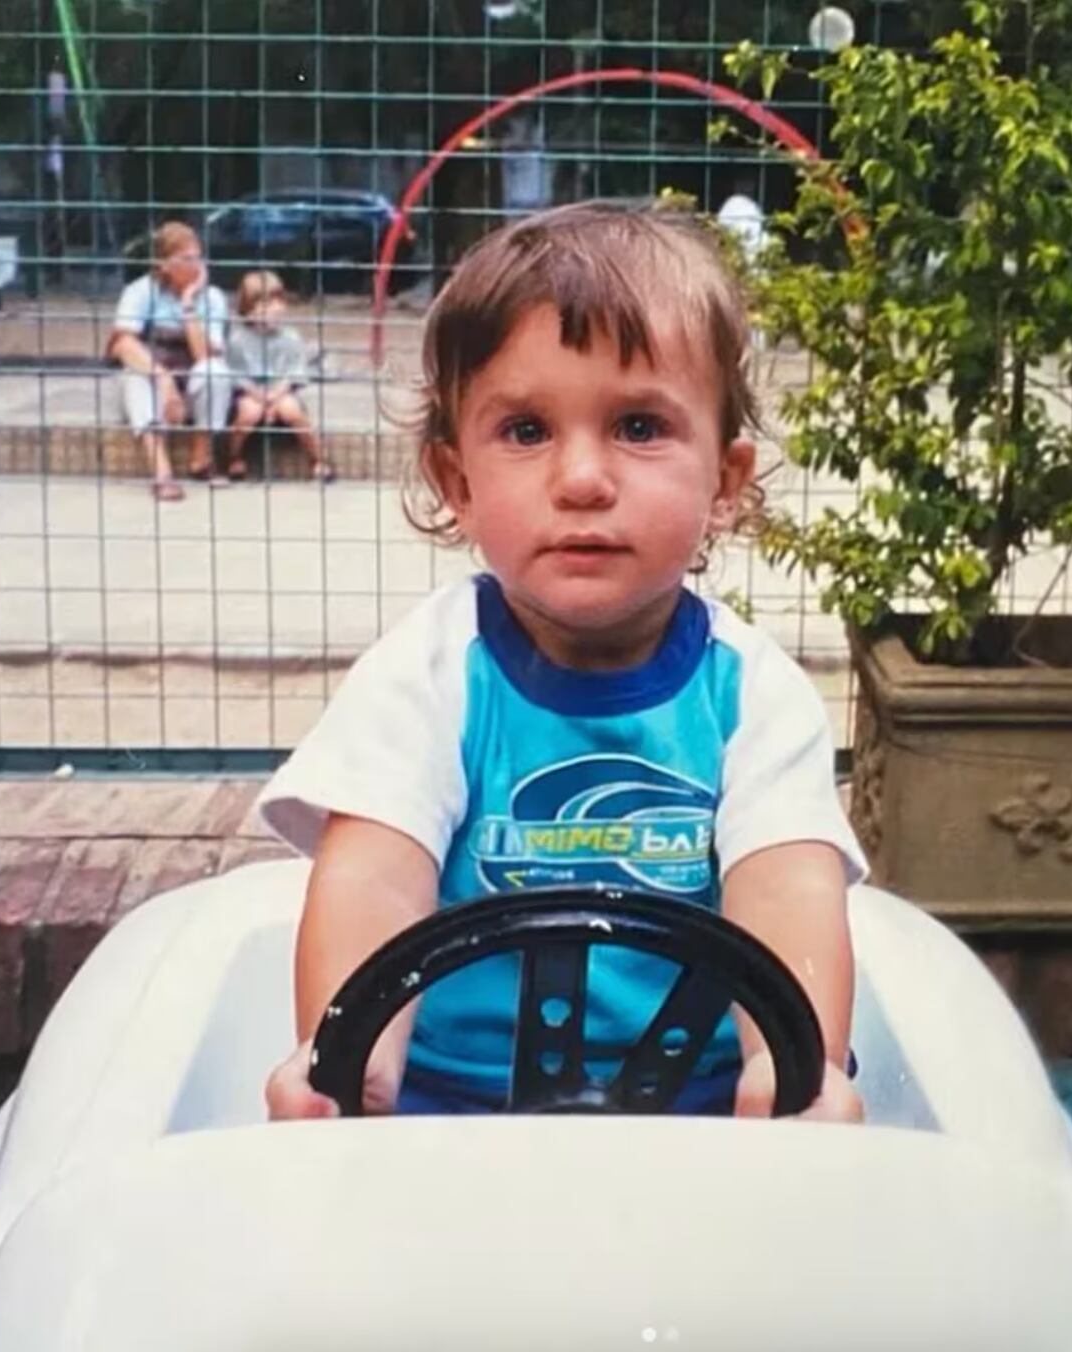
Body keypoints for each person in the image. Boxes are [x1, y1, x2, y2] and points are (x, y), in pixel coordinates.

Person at [261, 201, 866, 1123]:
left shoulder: (753, 694)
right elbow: (376, 876)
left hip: (702, 1117)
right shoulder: (426, 677)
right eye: (528, 432)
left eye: (637, 427)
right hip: (444, 1110)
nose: (583, 480)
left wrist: (797, 1072)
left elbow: (784, 885)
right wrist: (351, 1063)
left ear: (726, 482)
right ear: (456, 483)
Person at [104, 221, 234, 501]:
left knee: (216, 372)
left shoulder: (212, 298)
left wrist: (189, 304)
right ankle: (161, 473)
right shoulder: (140, 291)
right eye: (186, 258)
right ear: (163, 263)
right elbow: (122, 344)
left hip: (191, 387)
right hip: (154, 384)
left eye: (199, 257)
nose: (196, 264)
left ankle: (202, 458)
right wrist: (161, 378)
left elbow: (204, 356)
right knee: (135, 377)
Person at [223, 270, 331, 482]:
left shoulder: (290, 336)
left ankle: (318, 459)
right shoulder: (237, 340)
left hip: (281, 390)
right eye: (264, 306)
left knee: (292, 410)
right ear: (248, 310)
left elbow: (296, 371)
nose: (273, 311)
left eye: (276, 303)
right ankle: (233, 457)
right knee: (248, 413)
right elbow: (235, 374)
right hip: (251, 392)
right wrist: (258, 395)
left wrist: (276, 394)